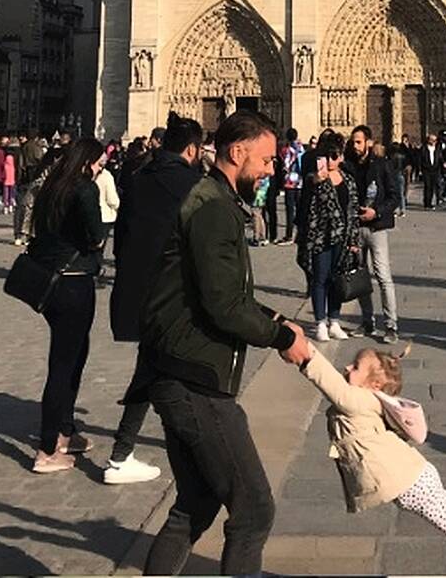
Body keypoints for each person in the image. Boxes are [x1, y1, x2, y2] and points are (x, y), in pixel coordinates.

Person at [139, 110, 310, 575]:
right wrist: (279, 337)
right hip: (196, 377)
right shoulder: (213, 207)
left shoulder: (214, 199)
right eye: (267, 160)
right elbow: (222, 305)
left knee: (195, 504)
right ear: (238, 152)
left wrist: (277, 320)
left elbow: (227, 293)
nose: (272, 169)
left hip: (179, 369)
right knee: (253, 510)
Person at [296, 343, 446, 577]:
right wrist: (302, 344)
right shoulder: (360, 398)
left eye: (355, 367)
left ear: (375, 384)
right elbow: (338, 387)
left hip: (410, 479)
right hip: (408, 476)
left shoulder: (361, 400)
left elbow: (334, 387)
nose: (348, 368)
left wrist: (306, 355)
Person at [106, 112, 204, 485]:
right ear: (193, 149)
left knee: (153, 367)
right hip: (175, 293)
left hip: (138, 291)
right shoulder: (192, 184)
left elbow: (123, 238)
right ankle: (125, 453)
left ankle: (124, 452)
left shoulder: (137, 178)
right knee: (178, 368)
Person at [27, 138, 106, 472]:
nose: (102, 167)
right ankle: (47, 450)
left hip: (52, 283)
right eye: (100, 163)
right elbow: (96, 235)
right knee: (63, 365)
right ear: (87, 162)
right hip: (73, 284)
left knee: (72, 358)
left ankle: (65, 431)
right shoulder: (84, 190)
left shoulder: (52, 187)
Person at [296, 133, 360, 342]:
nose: (332, 160)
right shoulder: (315, 178)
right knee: (320, 278)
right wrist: (315, 180)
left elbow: (352, 209)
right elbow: (304, 204)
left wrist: (353, 240)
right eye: (328, 156)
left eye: (336, 156)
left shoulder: (348, 180)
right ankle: (320, 322)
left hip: (342, 236)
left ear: (341, 156)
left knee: (337, 279)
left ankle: (334, 320)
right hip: (320, 236)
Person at [344, 125, 400, 344]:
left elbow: (394, 196)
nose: (354, 145)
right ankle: (367, 321)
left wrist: (376, 211)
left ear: (368, 142)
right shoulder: (349, 166)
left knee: (383, 276)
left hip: (377, 227)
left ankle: (391, 325)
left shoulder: (382, 165)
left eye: (358, 141)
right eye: (353, 142)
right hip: (357, 228)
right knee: (360, 276)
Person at [94, 161, 120, 288]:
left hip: (94, 213)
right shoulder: (106, 176)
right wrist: (118, 207)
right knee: (99, 248)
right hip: (105, 215)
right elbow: (112, 199)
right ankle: (96, 273)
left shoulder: (87, 174)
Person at [277, 127, 303, 245]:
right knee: (300, 209)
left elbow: (286, 165)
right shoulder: (301, 148)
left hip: (290, 182)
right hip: (300, 182)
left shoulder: (288, 150)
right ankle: (300, 233)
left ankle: (289, 235)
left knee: (290, 210)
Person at [421, 134, 443, 210]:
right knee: (428, 186)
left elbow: (440, 158)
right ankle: (427, 203)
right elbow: (420, 159)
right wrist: (421, 169)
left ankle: (430, 202)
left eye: (435, 140)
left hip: (435, 169)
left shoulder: (437, 149)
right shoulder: (424, 148)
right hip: (427, 170)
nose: (434, 142)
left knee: (433, 187)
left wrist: (443, 164)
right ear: (428, 140)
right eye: (432, 140)